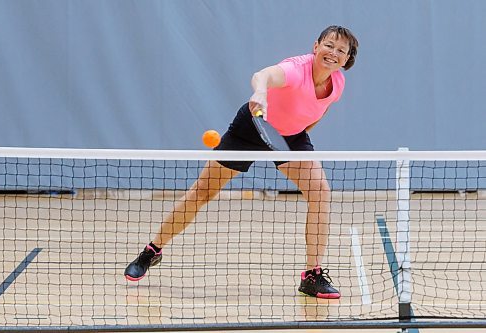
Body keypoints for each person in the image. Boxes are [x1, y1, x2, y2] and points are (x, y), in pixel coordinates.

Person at [125, 25, 358, 299]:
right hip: (253, 126)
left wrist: (292, 141)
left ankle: (312, 275)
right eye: (329, 45)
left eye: (341, 50)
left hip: (290, 138)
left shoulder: (337, 84)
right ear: (316, 46)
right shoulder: (296, 70)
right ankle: (152, 251)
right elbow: (263, 75)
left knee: (320, 192)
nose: (333, 53)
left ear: (346, 59)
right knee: (202, 192)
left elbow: (317, 112)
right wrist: (260, 93)